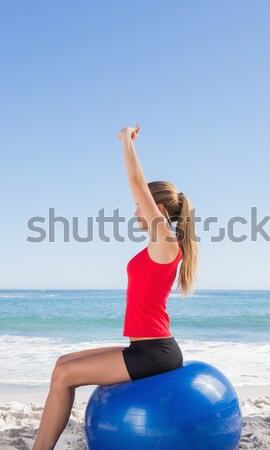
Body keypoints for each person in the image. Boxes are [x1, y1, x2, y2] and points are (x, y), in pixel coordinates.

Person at [32, 124, 199, 449]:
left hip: (155, 353)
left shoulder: (166, 240)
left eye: (141, 205)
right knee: (62, 364)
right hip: (143, 347)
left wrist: (126, 141)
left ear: (159, 210)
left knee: (65, 377)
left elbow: (136, 182)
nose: (136, 211)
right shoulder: (158, 245)